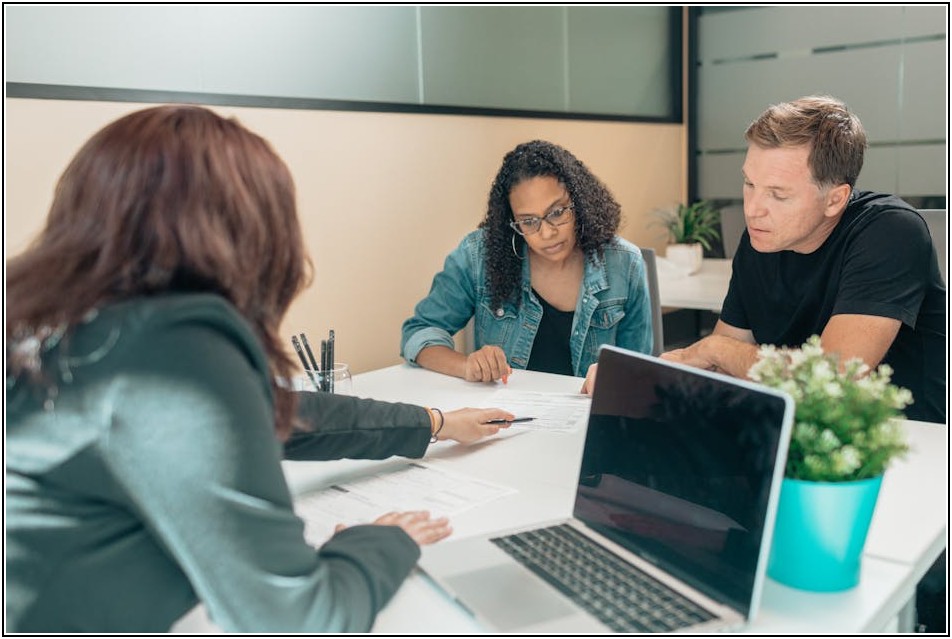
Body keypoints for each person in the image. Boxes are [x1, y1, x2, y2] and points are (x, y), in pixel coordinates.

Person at [5, 105, 518, 633]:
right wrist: (381, 540)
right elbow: (302, 620)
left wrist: (434, 422)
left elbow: (276, 411)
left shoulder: (66, 325)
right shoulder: (172, 344)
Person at [582, 95, 946, 426]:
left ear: (835, 199)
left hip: (905, 445)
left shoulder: (891, 231)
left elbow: (834, 377)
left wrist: (716, 348)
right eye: (749, 184)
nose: (753, 210)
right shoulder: (761, 240)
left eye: (778, 195)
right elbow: (716, 370)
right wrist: (639, 375)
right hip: (799, 434)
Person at [400, 140, 653, 383]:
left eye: (556, 212)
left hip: (586, 419)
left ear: (581, 202)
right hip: (505, 420)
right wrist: (467, 365)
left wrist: (616, 378)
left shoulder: (624, 263)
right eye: (529, 221)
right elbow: (419, 332)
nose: (547, 233)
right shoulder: (479, 255)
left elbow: (640, 367)